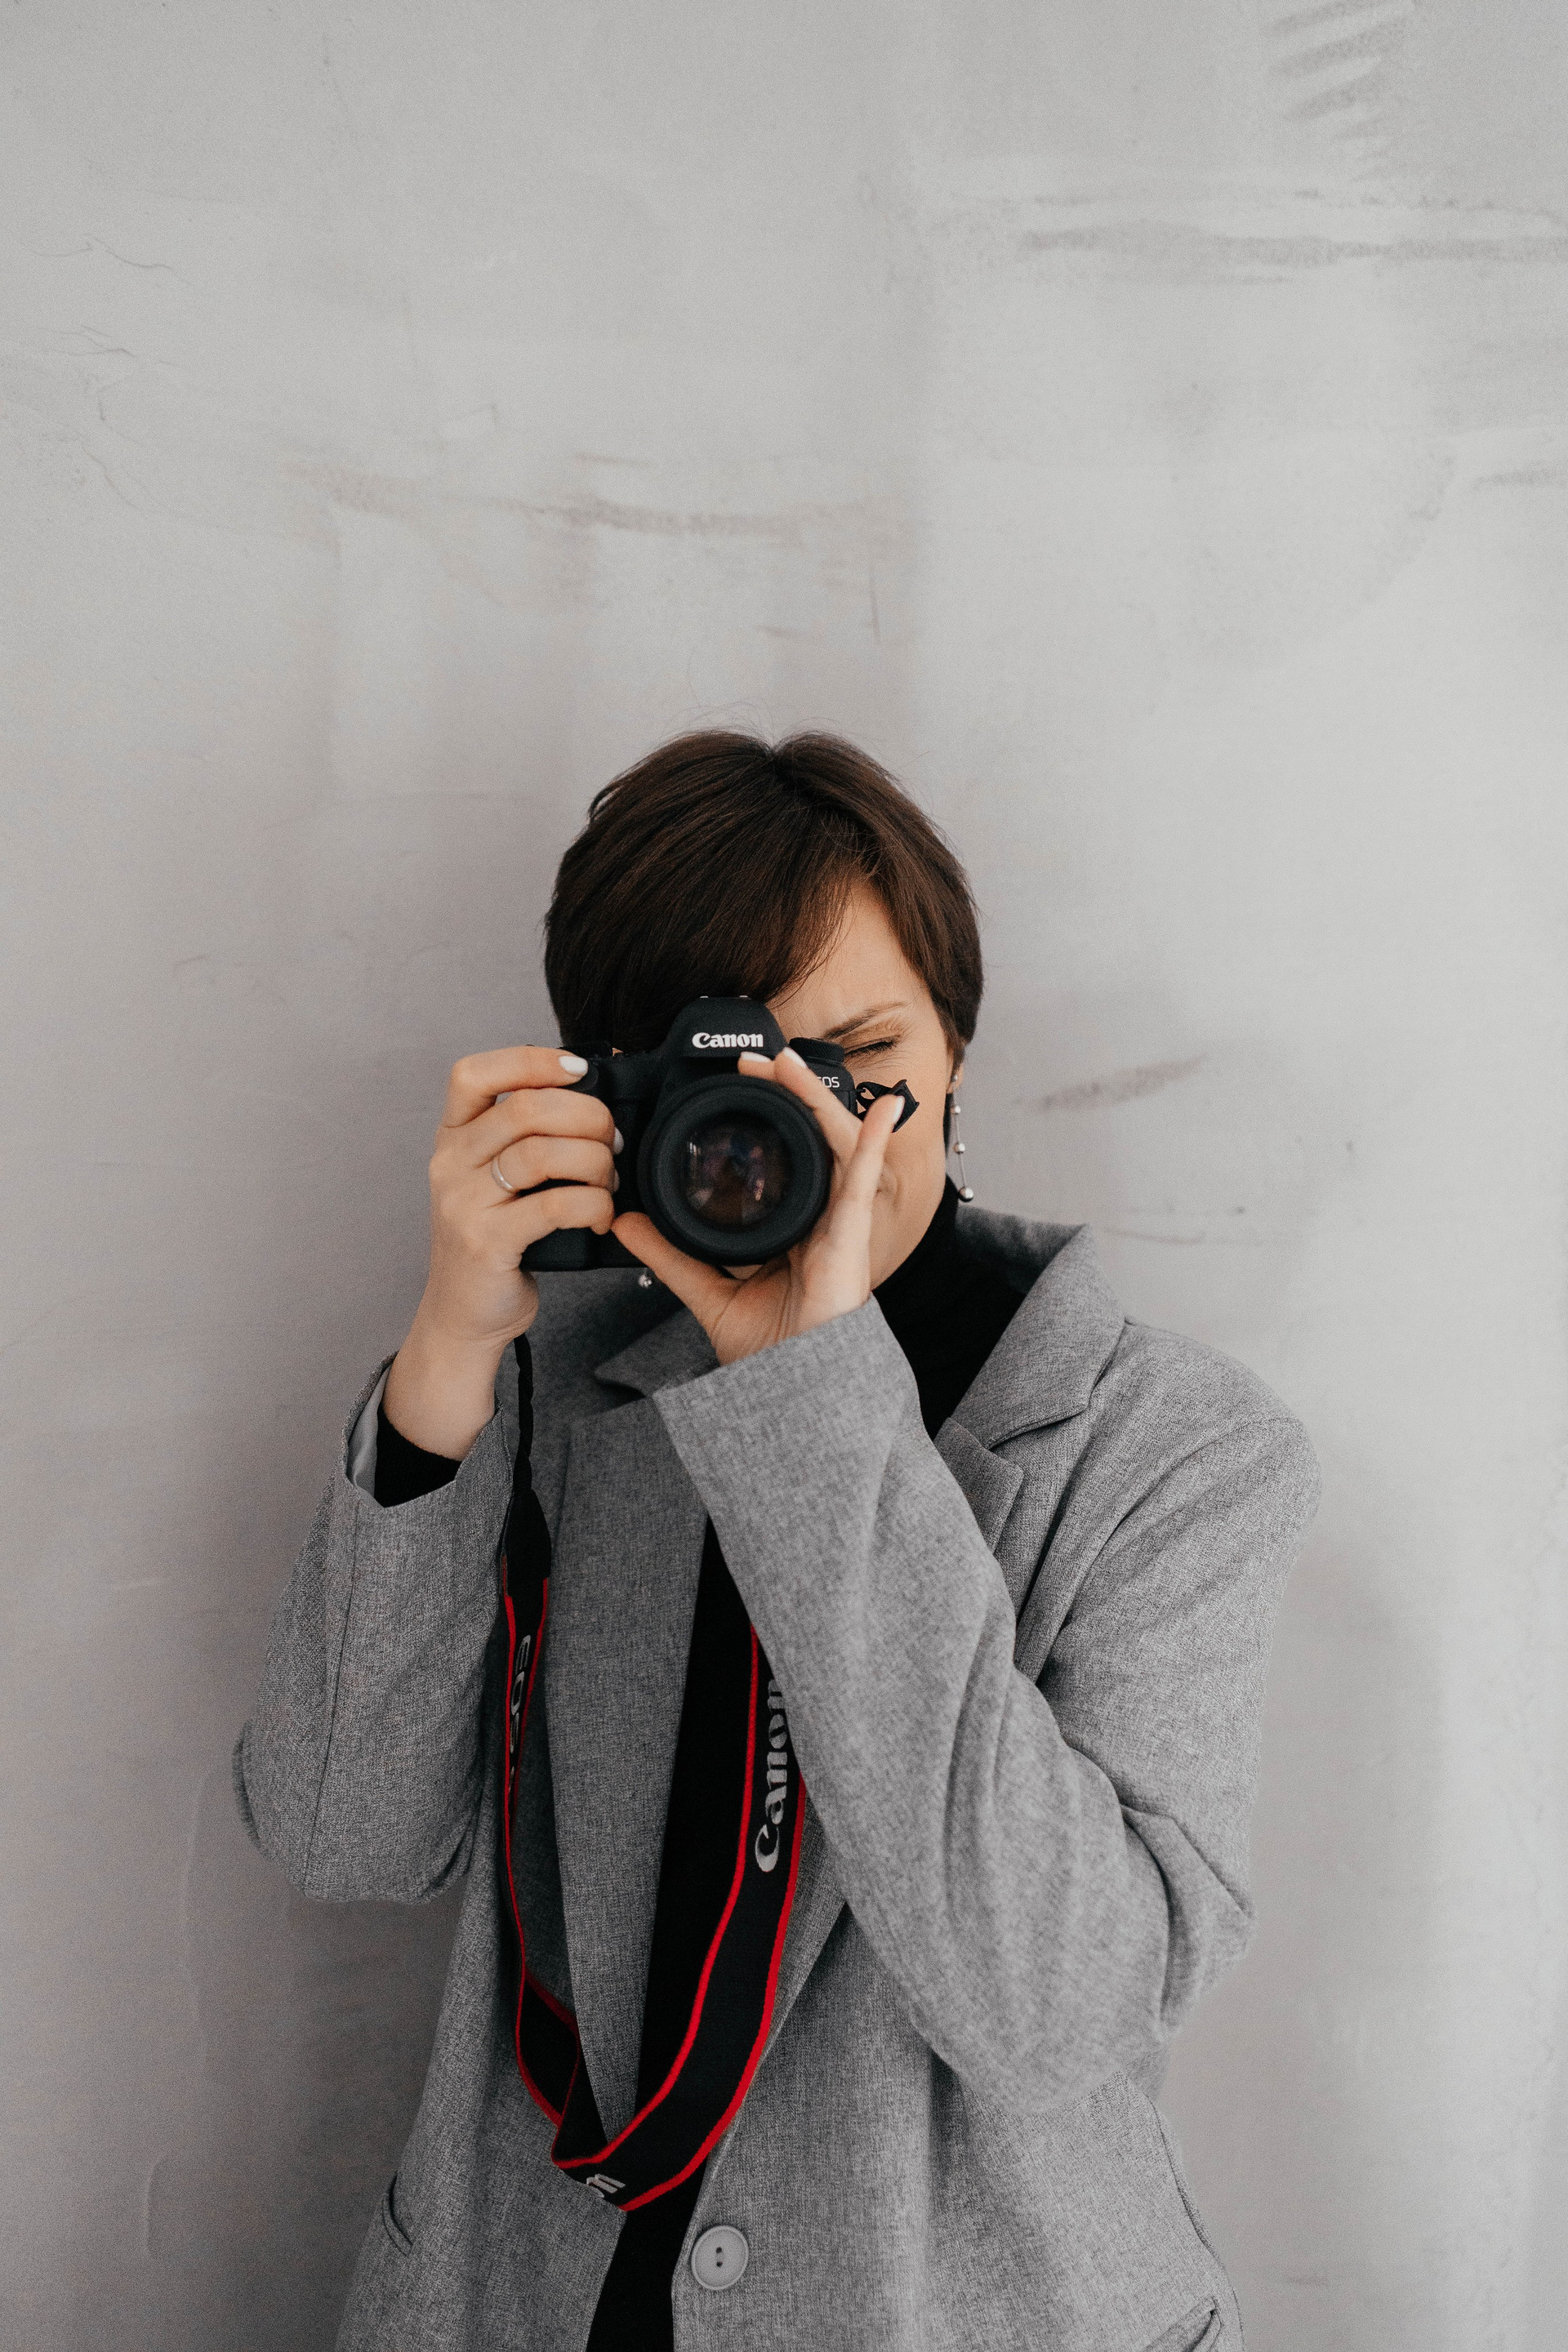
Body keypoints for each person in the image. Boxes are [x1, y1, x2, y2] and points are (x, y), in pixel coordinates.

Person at [234, 730, 1319, 2352]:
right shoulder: (547, 1378)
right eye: (742, 1086)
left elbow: (1055, 2007)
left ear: (956, 1047)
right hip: (531, 2295)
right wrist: (447, 1355)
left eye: (862, 1054)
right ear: (621, 1095)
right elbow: (345, 1841)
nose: (810, 1127)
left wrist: (809, 1397)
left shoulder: (1175, 1451)